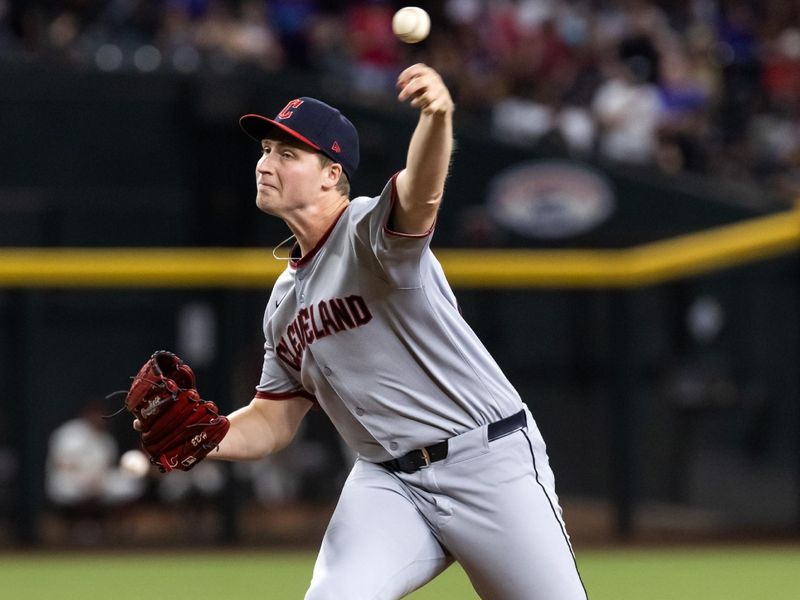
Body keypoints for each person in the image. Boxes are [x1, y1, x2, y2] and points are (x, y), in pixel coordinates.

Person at [148, 63, 587, 599]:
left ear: (332, 173)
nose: (267, 164)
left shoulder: (366, 232)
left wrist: (437, 118)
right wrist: (209, 436)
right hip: (388, 482)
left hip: (486, 463)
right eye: (265, 150)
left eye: (288, 154)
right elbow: (272, 420)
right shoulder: (282, 304)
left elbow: (421, 192)